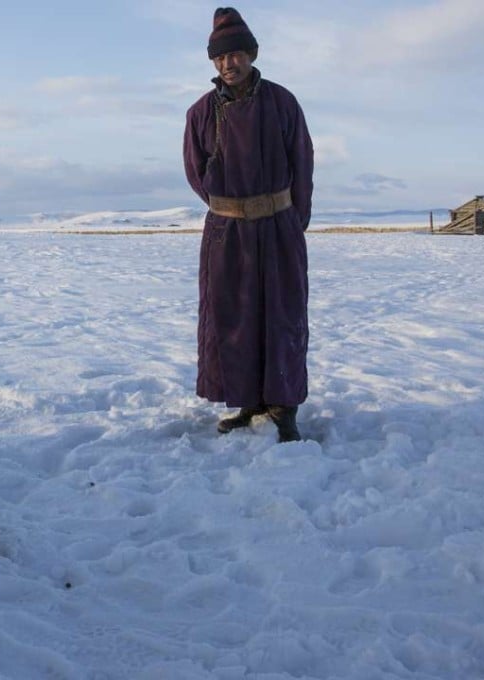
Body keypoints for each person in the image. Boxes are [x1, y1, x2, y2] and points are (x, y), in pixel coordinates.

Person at [183, 7, 314, 443]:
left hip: (278, 228)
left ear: (252, 54)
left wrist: (293, 222)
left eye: (236, 55)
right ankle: (247, 401)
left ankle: (284, 406)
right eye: (220, 58)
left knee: (282, 315)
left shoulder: (282, 103)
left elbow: (303, 163)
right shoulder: (200, 113)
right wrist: (228, 209)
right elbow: (195, 171)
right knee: (234, 318)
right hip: (227, 234)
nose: (229, 64)